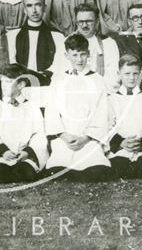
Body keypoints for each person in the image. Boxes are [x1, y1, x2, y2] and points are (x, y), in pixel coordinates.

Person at [44, 34, 112, 181]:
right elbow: (52, 112)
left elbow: (102, 113)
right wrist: (64, 136)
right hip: (65, 139)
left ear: (88, 54)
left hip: (88, 139)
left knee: (96, 169)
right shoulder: (58, 80)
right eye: (74, 55)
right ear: (66, 55)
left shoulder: (98, 81)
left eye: (82, 54)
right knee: (56, 170)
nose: (79, 60)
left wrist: (85, 138)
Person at [0, 64, 48, 183]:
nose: (3, 86)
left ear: (21, 85)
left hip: (22, 156)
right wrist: (3, 151)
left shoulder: (32, 107)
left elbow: (38, 135)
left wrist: (26, 153)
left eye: (8, 82)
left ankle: (18, 169)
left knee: (26, 171)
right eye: (2, 82)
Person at [6, 0, 67, 83]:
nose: (34, 10)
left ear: (45, 8)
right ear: (25, 10)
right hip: (20, 82)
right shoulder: (12, 35)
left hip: (47, 83)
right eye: (29, 6)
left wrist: (42, 75)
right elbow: (12, 63)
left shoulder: (57, 36)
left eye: (38, 5)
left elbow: (58, 65)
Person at [72, 3, 120, 91]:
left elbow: (114, 77)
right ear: (76, 23)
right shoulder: (67, 43)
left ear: (97, 22)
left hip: (101, 93)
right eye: (81, 22)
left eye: (89, 21)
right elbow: (61, 72)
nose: (84, 25)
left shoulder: (108, 43)